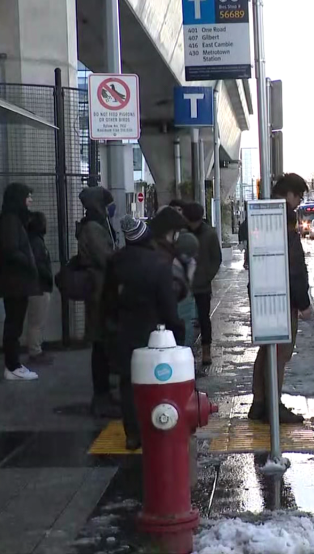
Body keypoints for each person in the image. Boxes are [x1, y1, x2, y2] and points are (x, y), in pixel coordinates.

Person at [103, 212, 187, 450]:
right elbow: (168, 306)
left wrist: (108, 329)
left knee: (128, 384)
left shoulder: (115, 262)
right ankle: (157, 425)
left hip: (123, 332)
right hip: (154, 333)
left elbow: (107, 301)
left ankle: (133, 433)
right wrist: (177, 334)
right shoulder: (158, 264)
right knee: (156, 382)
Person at [248, 174, 312, 423]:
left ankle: (259, 403)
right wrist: (304, 303)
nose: (299, 202)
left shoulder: (262, 213)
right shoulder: (286, 219)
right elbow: (294, 267)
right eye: (299, 196)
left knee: (266, 350)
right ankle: (274, 407)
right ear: (289, 194)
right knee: (279, 354)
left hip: (263, 293)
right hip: (282, 298)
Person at [76, 186, 119, 417]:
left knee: (103, 343)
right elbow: (105, 257)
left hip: (103, 288)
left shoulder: (96, 225)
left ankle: (104, 393)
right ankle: (101, 396)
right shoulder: (93, 228)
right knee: (100, 343)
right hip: (99, 291)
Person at [0, 182, 41, 381]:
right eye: (27, 196)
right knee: (14, 325)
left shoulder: (11, 219)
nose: (30, 200)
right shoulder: (11, 221)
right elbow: (11, 250)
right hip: (14, 282)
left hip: (14, 281)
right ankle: (12, 366)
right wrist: (29, 264)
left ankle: (13, 364)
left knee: (15, 324)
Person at [183, 203, 222, 366]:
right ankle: (186, 351)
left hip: (202, 285)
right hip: (184, 285)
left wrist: (207, 276)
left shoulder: (209, 234)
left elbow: (216, 259)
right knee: (185, 319)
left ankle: (206, 350)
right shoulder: (182, 233)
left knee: (204, 318)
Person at [25, 211, 53, 364]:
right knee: (36, 322)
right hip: (39, 287)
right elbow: (40, 265)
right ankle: (35, 351)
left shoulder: (32, 241)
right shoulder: (37, 243)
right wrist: (48, 277)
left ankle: (36, 350)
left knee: (36, 322)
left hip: (37, 286)